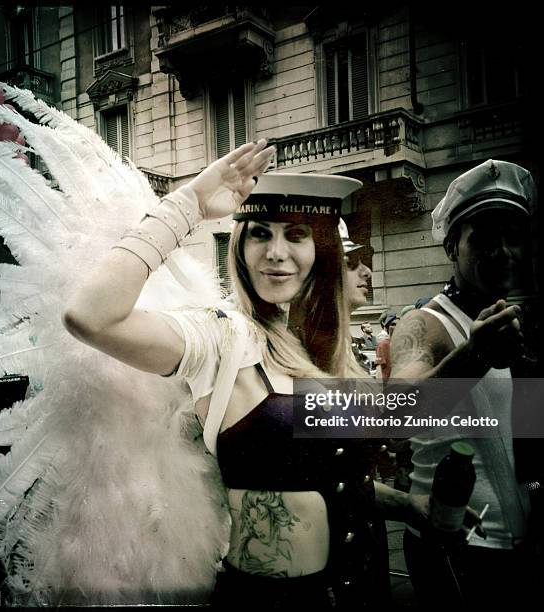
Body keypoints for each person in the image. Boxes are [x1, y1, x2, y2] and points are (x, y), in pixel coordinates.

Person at [62, 146, 434, 608]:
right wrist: (191, 204)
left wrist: (411, 507)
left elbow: (331, 478)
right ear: (240, 248)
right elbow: (90, 317)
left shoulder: (329, 357)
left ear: (321, 250)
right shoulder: (221, 336)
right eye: (260, 234)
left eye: (295, 235)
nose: (276, 253)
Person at [390, 159, 537, 607]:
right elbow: (397, 413)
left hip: (518, 547)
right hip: (457, 550)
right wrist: (474, 355)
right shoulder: (425, 322)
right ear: (453, 247)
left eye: (514, 237)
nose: (503, 252)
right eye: (485, 239)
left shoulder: (512, 320)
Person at [375, 313, 398, 381]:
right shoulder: (383, 345)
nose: (397, 326)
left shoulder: (405, 343)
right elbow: (379, 368)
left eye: (399, 324)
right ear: (387, 327)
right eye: (393, 324)